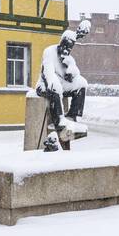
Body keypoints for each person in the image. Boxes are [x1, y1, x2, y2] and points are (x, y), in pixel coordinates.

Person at [35, 20, 91, 148]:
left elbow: (75, 76)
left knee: (82, 83)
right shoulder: (49, 52)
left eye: (69, 48)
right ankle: (60, 124)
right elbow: (48, 74)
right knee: (55, 86)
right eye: (65, 46)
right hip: (44, 85)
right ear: (61, 43)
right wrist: (53, 84)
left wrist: (69, 70)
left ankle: (72, 117)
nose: (66, 50)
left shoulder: (68, 59)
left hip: (60, 85)